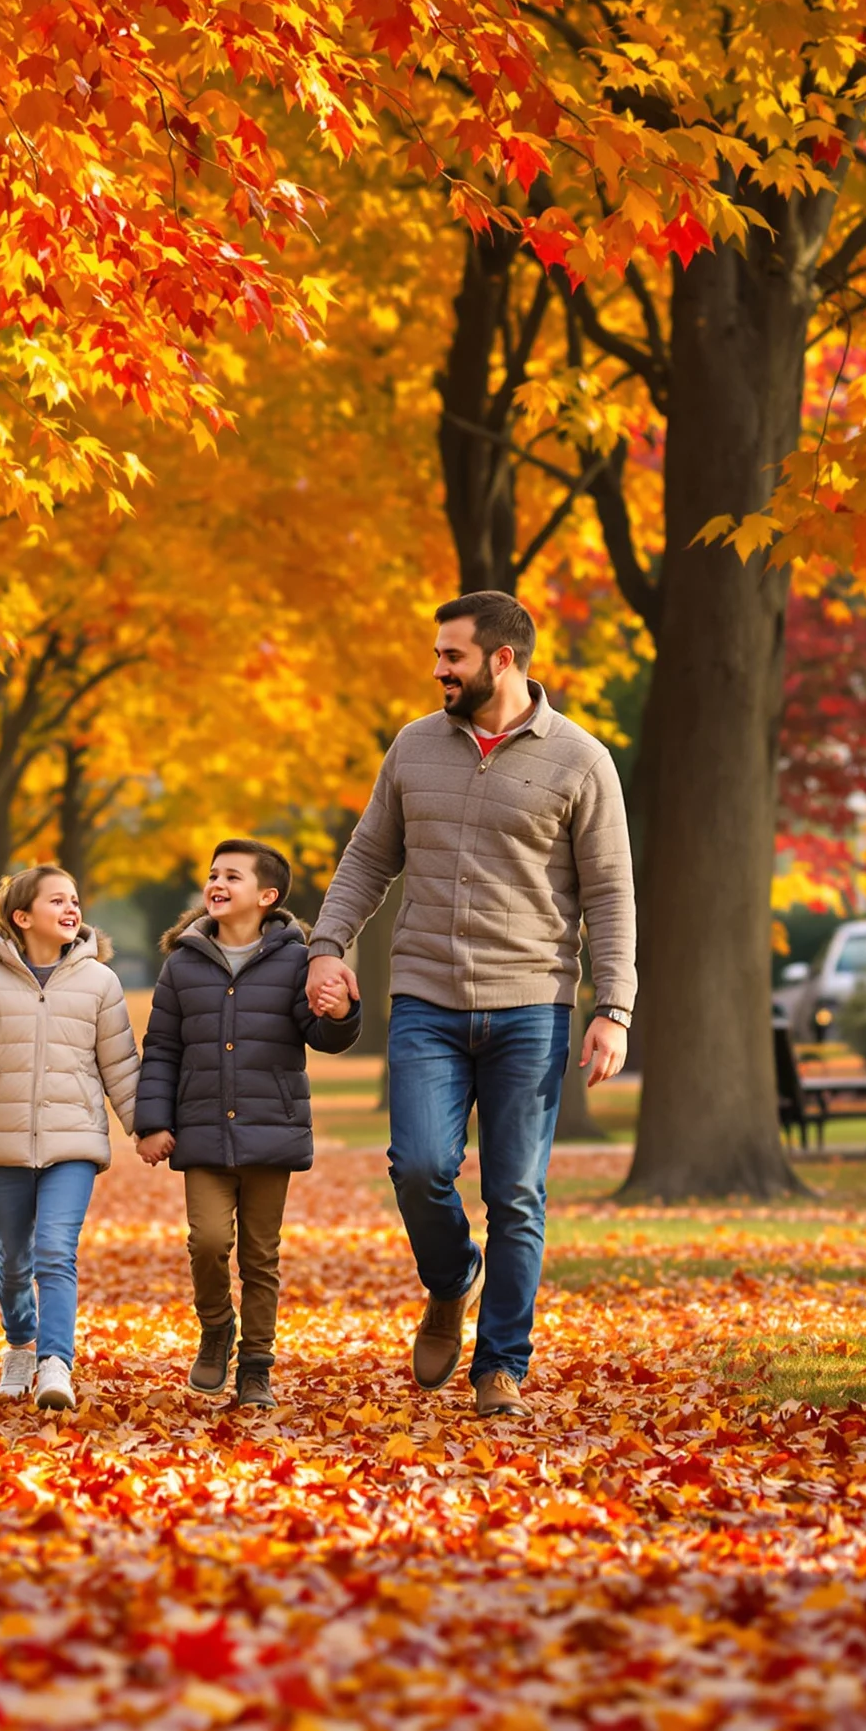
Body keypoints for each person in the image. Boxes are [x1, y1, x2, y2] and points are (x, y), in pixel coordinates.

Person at [306, 591, 635, 1420]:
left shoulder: (581, 760)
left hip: (532, 1006)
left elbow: (610, 893)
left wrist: (614, 1007)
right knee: (419, 1167)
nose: (438, 669)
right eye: (438, 655)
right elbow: (366, 859)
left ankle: (501, 1366)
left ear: (502, 659)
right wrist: (327, 945)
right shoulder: (414, 746)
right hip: (427, 997)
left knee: (517, 1195)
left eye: (451, 656)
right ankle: (453, 1278)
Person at [134, 839, 362, 1409]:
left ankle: (257, 1365)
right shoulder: (182, 963)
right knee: (208, 1242)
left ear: (267, 895)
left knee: (261, 1257)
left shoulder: (297, 961)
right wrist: (152, 1122)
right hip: (201, 1129)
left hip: (269, 1130)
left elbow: (323, 1035)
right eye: (214, 874)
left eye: (232, 876)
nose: (217, 884)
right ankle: (216, 1328)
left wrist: (341, 1013)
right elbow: (162, 1048)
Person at [0, 865, 140, 1412]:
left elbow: (120, 1066)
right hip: (3, 1142)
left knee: (55, 1251)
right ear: (21, 917)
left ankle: (55, 1363)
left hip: (74, 1143)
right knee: (13, 1260)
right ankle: (21, 1346)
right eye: (57, 901)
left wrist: (145, 1127)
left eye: (75, 900)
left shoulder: (100, 982)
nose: (72, 909)